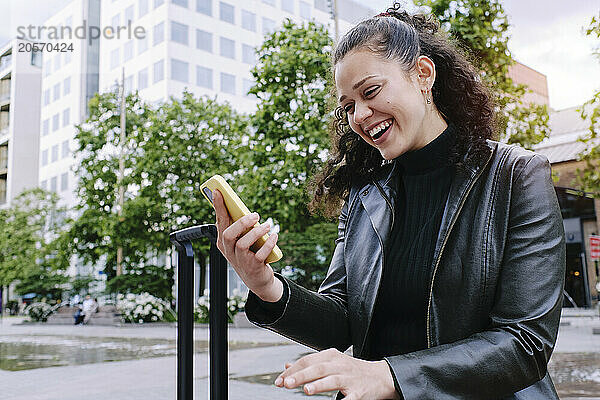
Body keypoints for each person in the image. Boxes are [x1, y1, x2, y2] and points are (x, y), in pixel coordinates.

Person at [213, 4, 566, 399]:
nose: (360, 115)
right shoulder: (365, 196)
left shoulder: (517, 176)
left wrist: (389, 376)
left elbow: (524, 344)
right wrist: (265, 284)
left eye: (370, 92)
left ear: (423, 75)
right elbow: (343, 320)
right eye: (348, 106)